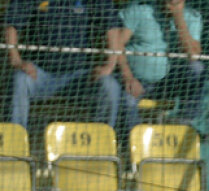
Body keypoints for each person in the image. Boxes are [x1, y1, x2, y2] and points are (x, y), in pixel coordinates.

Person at [5, 0, 125, 128]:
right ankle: (16, 139)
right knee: (20, 79)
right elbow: (11, 25)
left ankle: (102, 141)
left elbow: (112, 28)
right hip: (40, 74)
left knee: (110, 85)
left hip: (80, 78)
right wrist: (16, 60)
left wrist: (110, 65)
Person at [117, 0, 205, 127]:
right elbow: (117, 45)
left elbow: (193, 55)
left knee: (196, 68)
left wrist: (179, 18)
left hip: (168, 83)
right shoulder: (140, 11)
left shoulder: (192, 17)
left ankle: (185, 121)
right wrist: (128, 77)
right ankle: (131, 140)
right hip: (136, 80)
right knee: (128, 101)